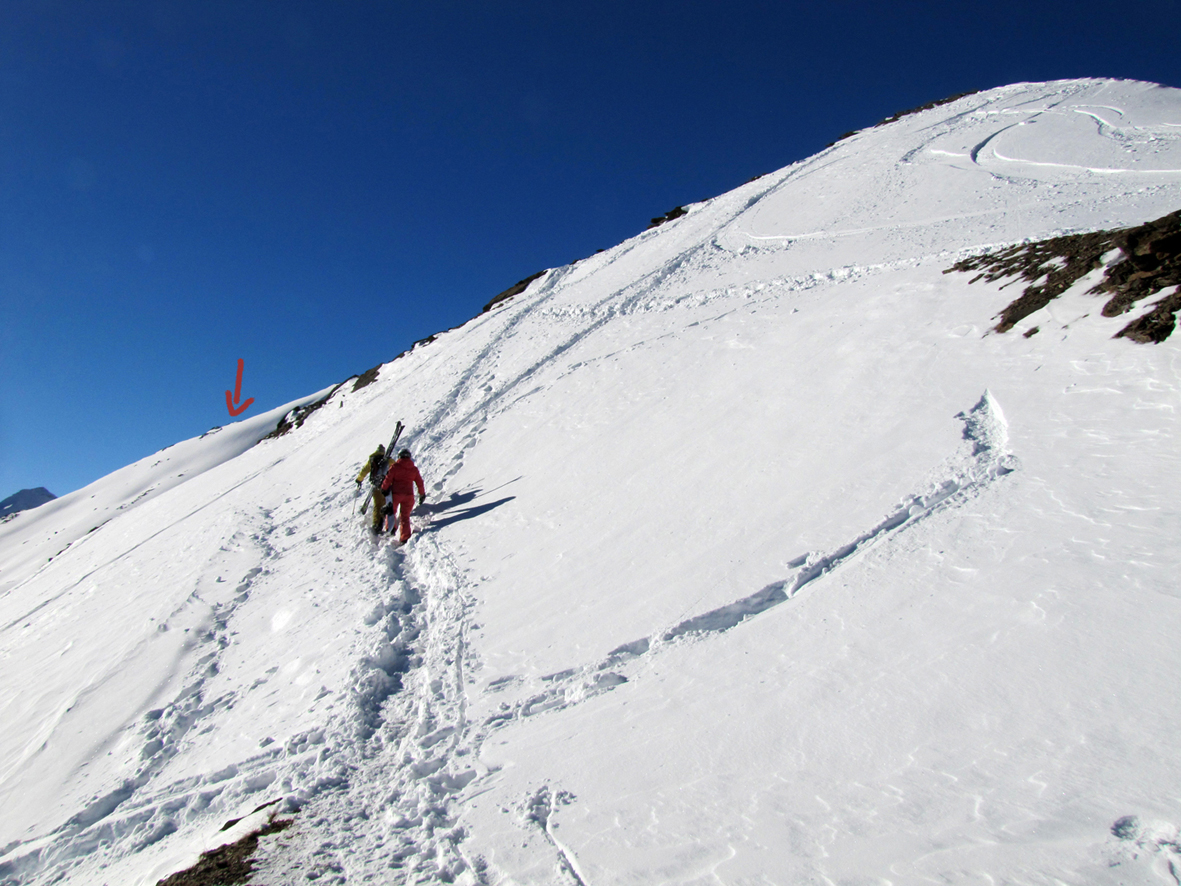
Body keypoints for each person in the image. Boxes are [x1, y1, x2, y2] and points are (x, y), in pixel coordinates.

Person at [381, 448, 426, 543]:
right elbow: (419, 482)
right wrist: (422, 494)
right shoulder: (414, 469)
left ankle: (391, 528)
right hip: (409, 496)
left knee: (391, 512)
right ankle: (405, 537)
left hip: (396, 494)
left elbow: (388, 479)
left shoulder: (395, 467)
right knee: (405, 516)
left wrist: (384, 488)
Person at [355, 444, 389, 533]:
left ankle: (376, 523)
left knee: (377, 504)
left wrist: (359, 479)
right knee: (385, 502)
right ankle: (384, 519)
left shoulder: (372, 460)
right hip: (385, 485)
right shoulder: (387, 459)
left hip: (375, 485)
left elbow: (364, 470)